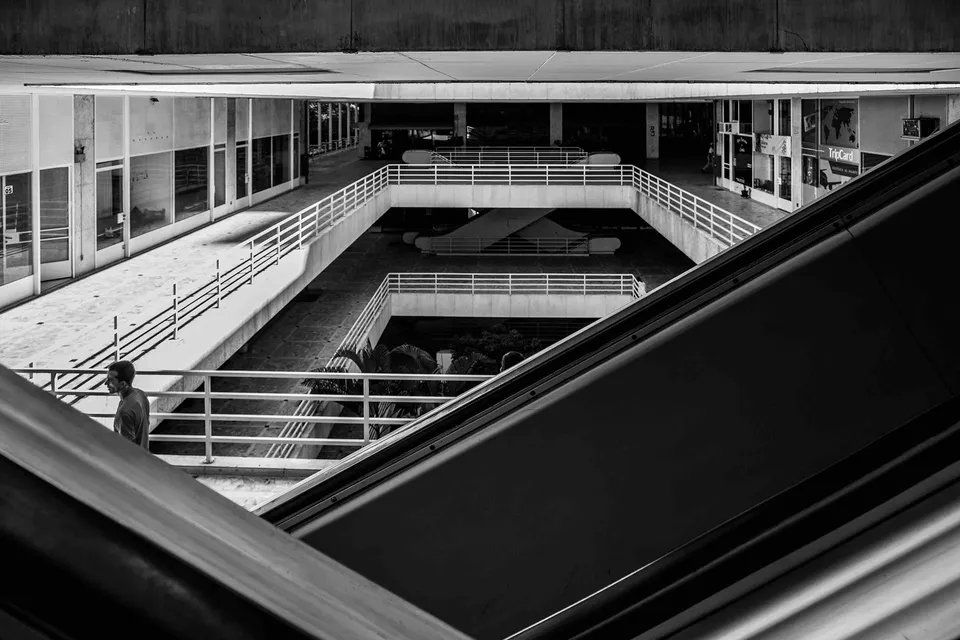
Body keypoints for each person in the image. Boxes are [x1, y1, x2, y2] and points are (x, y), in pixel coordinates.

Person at [105, 360, 150, 450]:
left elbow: (127, 449)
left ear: (123, 384)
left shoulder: (125, 412)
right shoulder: (141, 394)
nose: (106, 383)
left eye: (110, 380)